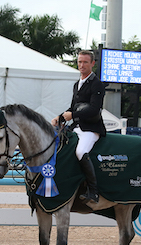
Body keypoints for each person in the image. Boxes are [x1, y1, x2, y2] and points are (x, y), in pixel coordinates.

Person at [51, 50, 106, 204]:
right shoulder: (77, 84)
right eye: (80, 62)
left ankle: (94, 191)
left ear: (92, 64)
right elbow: (72, 107)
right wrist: (59, 117)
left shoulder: (97, 84)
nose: (82, 65)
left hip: (91, 128)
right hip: (77, 127)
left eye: (85, 62)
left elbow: (94, 109)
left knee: (81, 151)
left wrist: (73, 116)